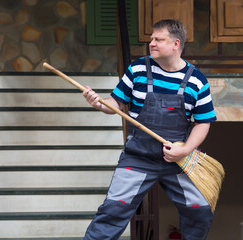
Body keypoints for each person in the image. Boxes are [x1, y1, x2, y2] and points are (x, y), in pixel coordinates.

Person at [82, 19, 217, 240]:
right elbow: (116, 103)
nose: (151, 43)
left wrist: (184, 151)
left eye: (158, 39)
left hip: (178, 161)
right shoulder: (137, 70)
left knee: (200, 210)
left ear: (175, 44)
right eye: (151, 39)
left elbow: (203, 123)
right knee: (112, 211)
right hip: (138, 158)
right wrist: (99, 103)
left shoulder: (197, 80)